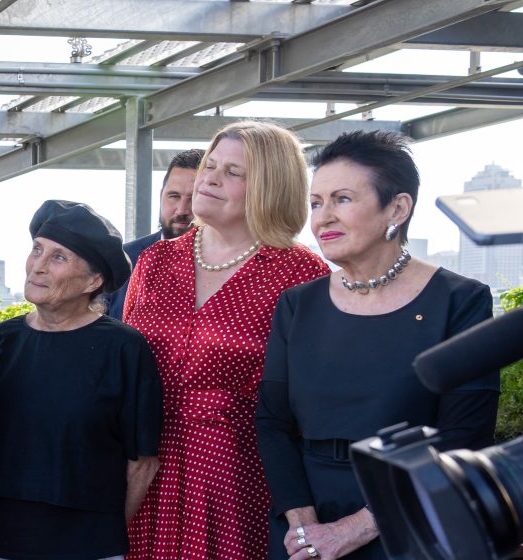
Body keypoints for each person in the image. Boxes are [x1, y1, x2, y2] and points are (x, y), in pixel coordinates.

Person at [255, 131, 498, 560]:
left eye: (342, 199)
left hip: (414, 517)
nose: (323, 218)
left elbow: (464, 436)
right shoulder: (297, 304)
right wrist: (304, 524)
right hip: (305, 524)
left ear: (398, 208)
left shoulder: (461, 301)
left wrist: (355, 529)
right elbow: (273, 422)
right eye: (316, 203)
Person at [124, 121, 330, 560]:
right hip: (143, 470)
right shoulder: (154, 262)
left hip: (239, 478)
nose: (210, 178)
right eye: (209, 165)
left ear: (270, 187)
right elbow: (123, 369)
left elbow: (308, 402)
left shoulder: (301, 274)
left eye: (233, 172)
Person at [0, 200, 162, 560]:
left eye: (58, 257)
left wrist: (102, 536)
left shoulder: (124, 348)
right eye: (37, 250)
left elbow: (143, 462)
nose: (38, 266)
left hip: (87, 545)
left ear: (94, 280)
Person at [109, 149, 203, 321]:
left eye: (193, 198)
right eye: (173, 196)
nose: (182, 210)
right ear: (161, 196)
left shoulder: (230, 267)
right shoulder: (123, 260)